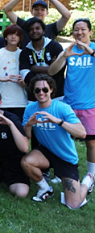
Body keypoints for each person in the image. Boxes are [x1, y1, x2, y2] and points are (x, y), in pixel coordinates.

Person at [22, 74, 93, 208]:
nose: (41, 93)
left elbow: (82, 133)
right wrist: (29, 125)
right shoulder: (30, 109)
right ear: (33, 92)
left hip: (65, 156)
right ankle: (45, 188)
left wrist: (57, 121)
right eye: (37, 90)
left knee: (73, 204)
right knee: (26, 162)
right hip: (46, 152)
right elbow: (28, 136)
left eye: (45, 89)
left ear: (51, 90)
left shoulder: (62, 108)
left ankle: (88, 181)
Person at [48, 18, 95, 179]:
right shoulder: (69, 49)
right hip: (69, 104)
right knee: (64, 140)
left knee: (91, 142)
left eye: (83, 29)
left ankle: (91, 174)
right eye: (76, 29)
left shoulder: (94, 49)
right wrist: (63, 56)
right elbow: (52, 71)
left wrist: (91, 52)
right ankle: (61, 173)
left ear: (90, 32)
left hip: (90, 105)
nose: (79, 32)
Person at [3, 0, 71, 48]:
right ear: (32, 12)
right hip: (26, 60)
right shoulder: (24, 25)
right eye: (36, 9)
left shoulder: (51, 28)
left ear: (47, 13)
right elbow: (7, 10)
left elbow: (67, 15)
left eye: (42, 10)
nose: (39, 12)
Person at [19, 17, 64, 102]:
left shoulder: (55, 47)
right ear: (27, 33)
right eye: (31, 29)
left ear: (43, 31)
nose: (34, 31)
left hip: (57, 96)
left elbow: (59, 71)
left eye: (37, 28)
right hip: (34, 98)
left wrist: (34, 68)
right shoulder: (25, 52)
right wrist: (50, 69)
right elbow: (26, 76)